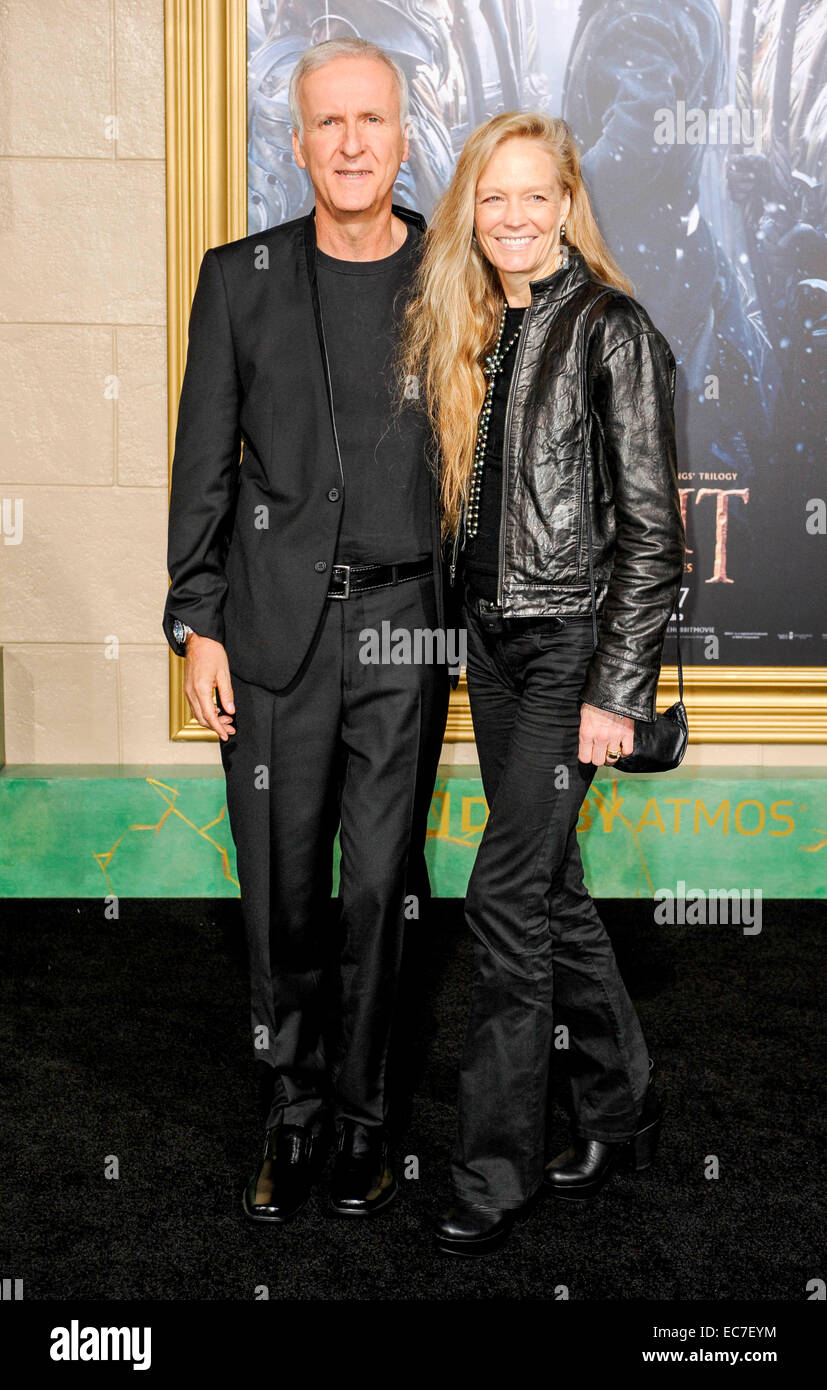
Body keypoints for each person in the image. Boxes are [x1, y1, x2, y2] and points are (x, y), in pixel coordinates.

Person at [163, 37, 450, 1225]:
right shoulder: (238, 277)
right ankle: (289, 1117)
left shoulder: (454, 273)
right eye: (326, 124)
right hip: (274, 634)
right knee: (283, 894)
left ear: (400, 133)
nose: (348, 144)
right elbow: (202, 470)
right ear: (296, 143)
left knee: (382, 887)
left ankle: (365, 1120)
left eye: (369, 122)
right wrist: (196, 621)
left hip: (405, 632)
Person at [400, 111, 685, 1255]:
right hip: (495, 643)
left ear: (566, 205)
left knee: (505, 899)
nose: (512, 216)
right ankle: (621, 1105)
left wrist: (613, 691)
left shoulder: (607, 327)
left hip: (572, 648)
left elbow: (653, 537)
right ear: (472, 209)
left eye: (534, 196)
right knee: (553, 889)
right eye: (492, 197)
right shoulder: (484, 328)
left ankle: (493, 1171)